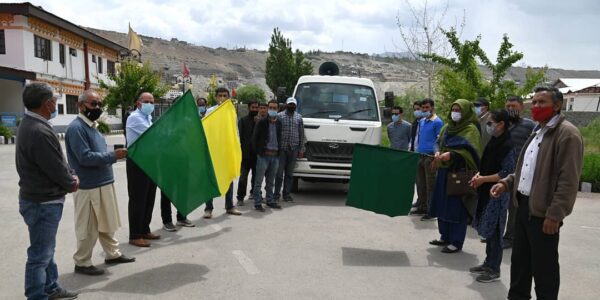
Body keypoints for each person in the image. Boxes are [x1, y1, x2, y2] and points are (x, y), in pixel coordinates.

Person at [491, 87, 583, 300]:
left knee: (544, 269)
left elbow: (568, 181)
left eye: (542, 102)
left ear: (557, 105)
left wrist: (555, 214)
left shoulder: (567, 134)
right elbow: (526, 169)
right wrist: (506, 183)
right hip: (523, 207)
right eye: (534, 102)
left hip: (544, 213)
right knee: (520, 263)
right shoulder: (537, 131)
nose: (536, 107)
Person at [16, 82, 79, 299]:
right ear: (47, 103)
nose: (56, 103)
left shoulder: (32, 124)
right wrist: (72, 182)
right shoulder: (39, 130)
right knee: (40, 255)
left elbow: (56, 161)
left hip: (38, 199)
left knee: (46, 249)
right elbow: (55, 167)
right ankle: (36, 295)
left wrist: (68, 174)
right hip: (42, 202)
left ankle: (51, 287)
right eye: (54, 99)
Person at [64, 90, 135, 276]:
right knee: (88, 226)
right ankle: (82, 261)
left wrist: (112, 154)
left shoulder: (92, 126)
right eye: (93, 104)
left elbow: (97, 151)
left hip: (103, 181)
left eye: (99, 104)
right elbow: (85, 157)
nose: (98, 108)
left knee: (106, 222)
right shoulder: (76, 128)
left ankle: (112, 254)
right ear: (81, 106)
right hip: (88, 186)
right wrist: (113, 156)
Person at [469, 109, 516, 282]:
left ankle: (494, 268)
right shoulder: (494, 142)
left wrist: (484, 179)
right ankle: (488, 262)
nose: (488, 126)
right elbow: (486, 164)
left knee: (496, 230)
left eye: (490, 123)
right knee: (488, 230)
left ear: (501, 124)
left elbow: (506, 172)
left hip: (497, 191)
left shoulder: (507, 145)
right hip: (486, 190)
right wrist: (478, 176)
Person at [428, 99, 481, 253]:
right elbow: (437, 142)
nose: (455, 113)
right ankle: (444, 236)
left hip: (459, 173)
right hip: (444, 171)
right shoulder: (447, 127)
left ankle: (456, 241)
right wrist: (437, 152)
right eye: (454, 109)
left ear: (466, 112)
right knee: (441, 203)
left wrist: (452, 155)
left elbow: (472, 152)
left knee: (456, 207)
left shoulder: (471, 130)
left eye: (458, 110)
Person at [126, 92, 161, 247]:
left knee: (149, 198)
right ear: (138, 103)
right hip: (137, 162)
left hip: (149, 162)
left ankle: (144, 229)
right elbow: (153, 136)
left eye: (152, 102)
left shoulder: (147, 118)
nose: (150, 104)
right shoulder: (135, 117)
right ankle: (135, 234)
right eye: (147, 101)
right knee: (138, 199)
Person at [502, 95, 536, 249]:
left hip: (518, 173)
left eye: (513, 106)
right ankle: (497, 234)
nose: (510, 109)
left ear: (522, 107)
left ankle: (510, 237)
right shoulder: (502, 124)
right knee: (499, 206)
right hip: (501, 172)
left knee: (513, 207)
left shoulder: (530, 125)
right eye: (508, 106)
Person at [203, 87, 242, 218]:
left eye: (225, 95)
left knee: (229, 177)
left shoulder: (232, 112)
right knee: (210, 179)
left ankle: (229, 206)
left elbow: (234, 131)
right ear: (216, 97)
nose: (222, 98)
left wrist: (236, 146)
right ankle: (208, 208)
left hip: (226, 150)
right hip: (213, 150)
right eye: (220, 95)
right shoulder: (210, 111)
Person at [412, 98, 444, 219]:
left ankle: (431, 211)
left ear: (432, 108)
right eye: (423, 108)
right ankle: (422, 206)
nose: (425, 110)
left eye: (427, 107)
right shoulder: (422, 121)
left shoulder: (437, 122)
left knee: (430, 185)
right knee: (420, 184)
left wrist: (436, 158)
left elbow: (439, 142)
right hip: (420, 155)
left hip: (430, 157)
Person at [252, 100, 284, 211]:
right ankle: (257, 202)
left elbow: (280, 138)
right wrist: (259, 153)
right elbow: (254, 139)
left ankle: (270, 201)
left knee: (271, 182)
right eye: (270, 107)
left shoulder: (280, 122)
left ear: (278, 109)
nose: (272, 110)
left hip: (275, 157)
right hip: (263, 156)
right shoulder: (261, 122)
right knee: (258, 181)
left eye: (275, 108)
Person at [274, 97, 306, 202]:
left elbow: (302, 134)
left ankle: (286, 194)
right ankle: (276, 194)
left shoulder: (299, 117)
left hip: (294, 149)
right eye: (290, 104)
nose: (291, 106)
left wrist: (301, 149)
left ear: (295, 105)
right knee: (279, 174)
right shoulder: (279, 116)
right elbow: (275, 133)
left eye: (293, 104)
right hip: (281, 149)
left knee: (289, 174)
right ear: (286, 104)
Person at [236, 100, 259, 206]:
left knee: (256, 176)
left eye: (256, 108)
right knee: (243, 178)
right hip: (245, 155)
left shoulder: (260, 121)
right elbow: (239, 137)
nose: (254, 110)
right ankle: (240, 197)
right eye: (253, 107)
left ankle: (254, 194)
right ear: (249, 108)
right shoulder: (243, 120)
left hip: (257, 155)